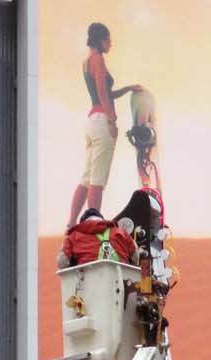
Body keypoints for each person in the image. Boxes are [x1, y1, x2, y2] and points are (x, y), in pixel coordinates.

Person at [67, 23, 143, 228]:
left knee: (87, 177)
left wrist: (128, 88)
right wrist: (111, 120)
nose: (111, 43)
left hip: (92, 121)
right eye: (108, 39)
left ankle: (72, 224)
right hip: (102, 122)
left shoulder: (86, 62)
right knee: (97, 179)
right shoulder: (98, 60)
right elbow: (102, 92)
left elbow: (106, 92)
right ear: (100, 40)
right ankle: (94, 225)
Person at [57, 207, 137, 268]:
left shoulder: (73, 236)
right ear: (102, 221)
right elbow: (136, 256)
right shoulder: (121, 232)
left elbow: (62, 262)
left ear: (83, 223)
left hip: (87, 282)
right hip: (122, 280)